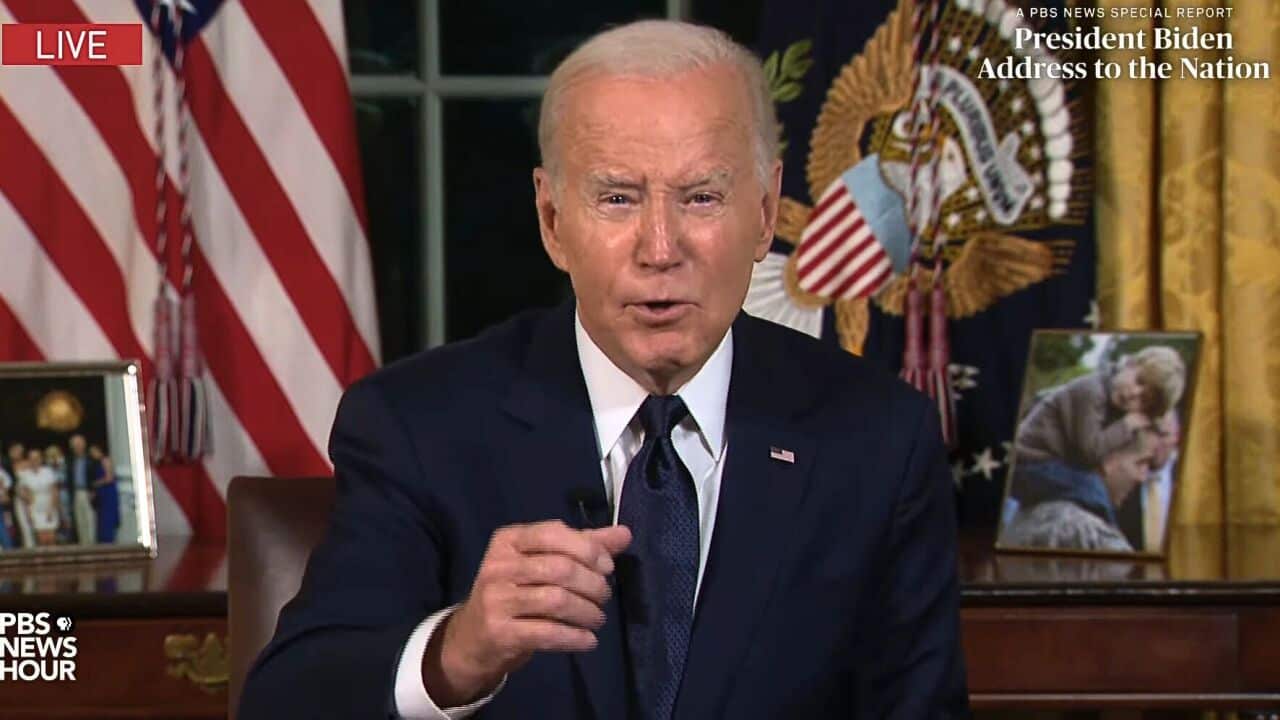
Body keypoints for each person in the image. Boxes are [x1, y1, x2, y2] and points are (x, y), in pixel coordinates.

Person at [240, 20, 967, 720]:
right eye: (617, 197)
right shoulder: (419, 427)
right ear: (553, 220)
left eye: (701, 197)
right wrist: (457, 654)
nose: (659, 247)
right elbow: (288, 699)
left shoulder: (876, 439)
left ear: (768, 210)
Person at [15, 449, 59, 547]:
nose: (34, 461)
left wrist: (52, 508)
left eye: (36, 458)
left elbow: (54, 491)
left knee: (51, 538)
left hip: (49, 505)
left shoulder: (48, 471)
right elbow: (20, 491)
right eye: (31, 459)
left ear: (41, 459)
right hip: (35, 507)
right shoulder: (25, 474)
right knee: (41, 539)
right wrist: (27, 500)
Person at [66, 434, 99, 547]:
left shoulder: (91, 459)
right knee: (79, 520)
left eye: (79, 444)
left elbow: (96, 476)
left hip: (87, 492)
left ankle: (91, 544)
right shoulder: (70, 461)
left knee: (90, 518)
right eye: (75, 445)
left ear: (84, 445)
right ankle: (84, 543)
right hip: (76, 492)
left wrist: (94, 490)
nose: (77, 447)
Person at [88, 445, 120, 544]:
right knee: (101, 518)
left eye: (94, 452)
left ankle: (109, 539)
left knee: (108, 517)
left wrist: (96, 483)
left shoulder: (105, 460)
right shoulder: (96, 463)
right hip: (101, 494)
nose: (93, 455)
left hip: (108, 493)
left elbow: (109, 478)